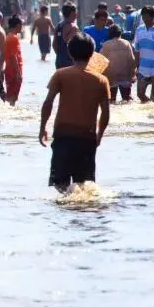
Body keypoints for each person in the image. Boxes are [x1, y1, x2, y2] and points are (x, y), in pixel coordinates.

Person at [39, 33, 111, 193]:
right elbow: (105, 112)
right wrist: (99, 135)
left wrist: (42, 127)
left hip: (63, 136)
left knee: (60, 184)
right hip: (87, 137)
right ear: (92, 54)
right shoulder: (100, 80)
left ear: (70, 53)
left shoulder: (61, 75)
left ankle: (67, 203)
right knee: (85, 186)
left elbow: (48, 102)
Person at [101, 25, 135, 103]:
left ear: (109, 34)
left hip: (111, 76)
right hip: (125, 75)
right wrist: (133, 73)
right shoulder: (126, 43)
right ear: (120, 33)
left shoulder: (106, 45)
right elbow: (131, 59)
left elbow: (101, 60)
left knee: (112, 101)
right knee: (127, 100)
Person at [3, 14, 24, 105]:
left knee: (11, 98)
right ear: (18, 25)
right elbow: (13, 57)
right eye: (21, 26)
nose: (22, 28)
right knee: (12, 99)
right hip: (13, 72)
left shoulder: (9, 37)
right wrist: (18, 73)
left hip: (10, 71)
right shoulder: (13, 38)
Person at [53, 2, 78, 69]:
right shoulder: (73, 27)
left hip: (59, 61)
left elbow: (54, 45)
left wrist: (60, 56)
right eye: (76, 11)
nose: (77, 14)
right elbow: (71, 45)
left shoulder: (58, 26)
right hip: (70, 63)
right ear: (72, 13)